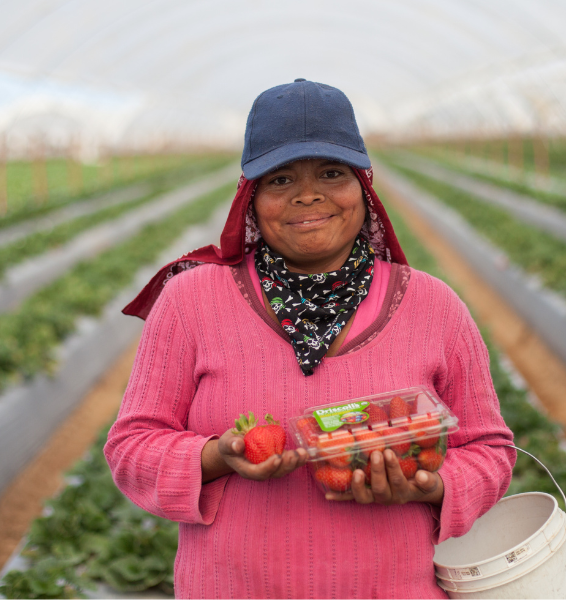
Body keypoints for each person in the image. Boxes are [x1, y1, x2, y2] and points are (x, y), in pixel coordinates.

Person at [105, 79, 515, 599]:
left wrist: (431, 485)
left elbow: (489, 448)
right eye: (279, 179)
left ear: (363, 186)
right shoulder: (190, 302)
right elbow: (132, 446)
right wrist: (217, 455)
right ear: (250, 197)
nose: (308, 194)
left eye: (330, 172)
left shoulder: (434, 307)